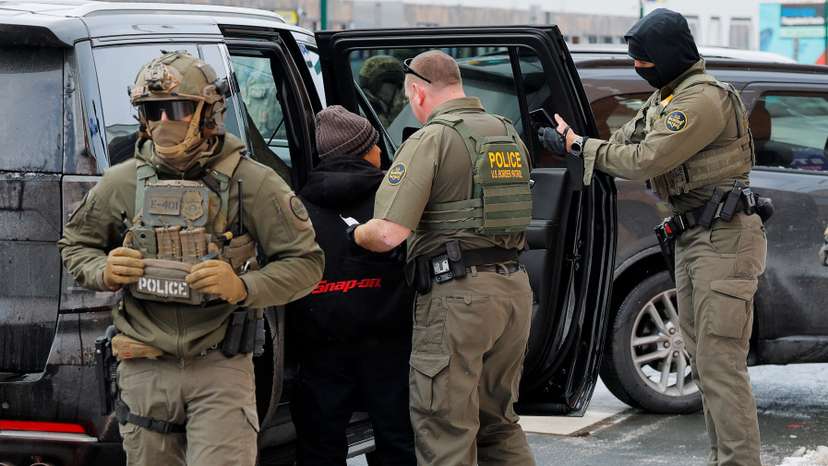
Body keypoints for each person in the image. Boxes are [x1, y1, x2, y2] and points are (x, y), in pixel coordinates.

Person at [58, 51, 324, 466]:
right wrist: (102, 269)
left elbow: (306, 263)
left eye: (177, 108)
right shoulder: (122, 182)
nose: (164, 121)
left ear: (208, 112)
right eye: (153, 110)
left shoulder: (250, 182)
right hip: (144, 364)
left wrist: (244, 286)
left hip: (219, 366)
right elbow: (75, 245)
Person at [541, 9, 767, 466]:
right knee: (704, 365)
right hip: (694, 237)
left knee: (721, 365)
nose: (638, 68)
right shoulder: (667, 97)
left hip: (723, 239)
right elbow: (623, 140)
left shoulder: (701, 100)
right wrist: (575, 139)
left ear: (665, 55)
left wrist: (581, 149)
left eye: (642, 60)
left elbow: (646, 158)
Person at [349, 50, 536, 466]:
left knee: (446, 428)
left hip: (458, 300)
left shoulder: (431, 138)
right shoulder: (507, 133)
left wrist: (352, 232)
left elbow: (387, 233)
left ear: (416, 92)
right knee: (500, 425)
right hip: (513, 292)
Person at [288, 105, 416, 466]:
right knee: (398, 440)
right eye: (376, 144)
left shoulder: (297, 204)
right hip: (390, 345)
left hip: (320, 347)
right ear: (367, 149)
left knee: (320, 446)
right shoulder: (393, 197)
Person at [359, 55, 407, 127]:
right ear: (375, 86)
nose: (397, 89)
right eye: (391, 82)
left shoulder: (401, 107)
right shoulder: (364, 112)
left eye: (399, 85)